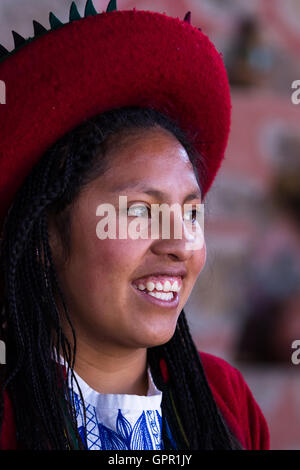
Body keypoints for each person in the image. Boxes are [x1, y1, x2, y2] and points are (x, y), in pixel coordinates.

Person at [0, 0, 269, 450]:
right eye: (142, 211)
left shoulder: (226, 400)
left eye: (191, 212)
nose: (181, 243)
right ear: (44, 239)